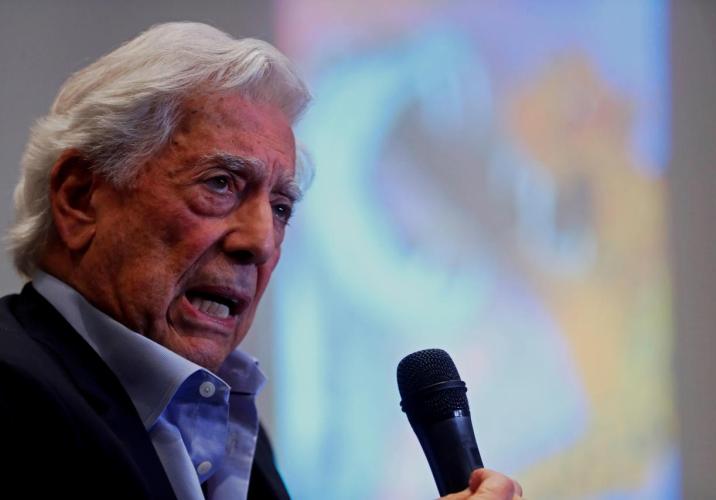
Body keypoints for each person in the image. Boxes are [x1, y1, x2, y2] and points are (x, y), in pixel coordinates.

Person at [0, 22, 522, 499]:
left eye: (280, 207)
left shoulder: (232, 431)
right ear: (79, 198)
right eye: (220, 184)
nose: (262, 242)